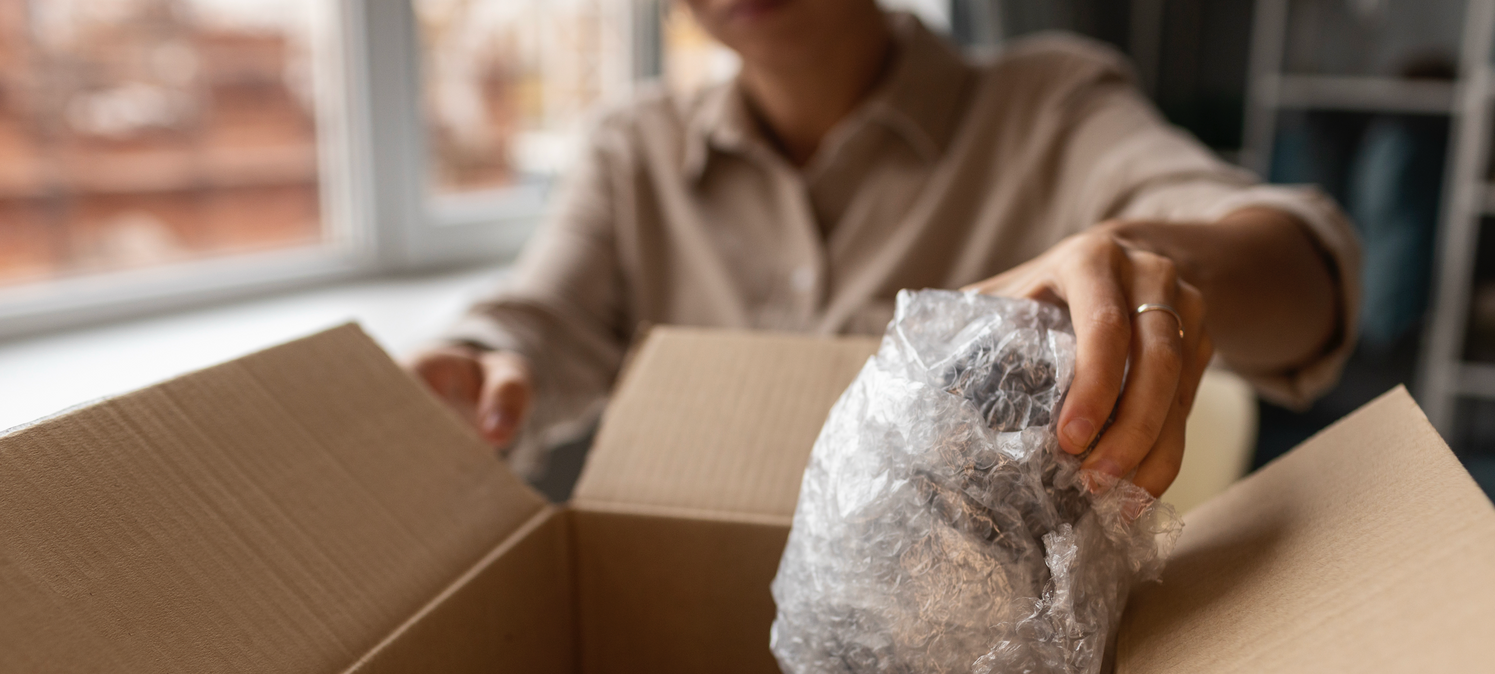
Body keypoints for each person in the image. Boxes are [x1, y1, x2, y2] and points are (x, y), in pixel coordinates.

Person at [407, 0, 1358, 498]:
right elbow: (534, 327)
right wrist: (476, 372)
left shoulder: (1047, 105)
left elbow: (1308, 272)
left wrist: (1136, 257)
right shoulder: (633, 150)